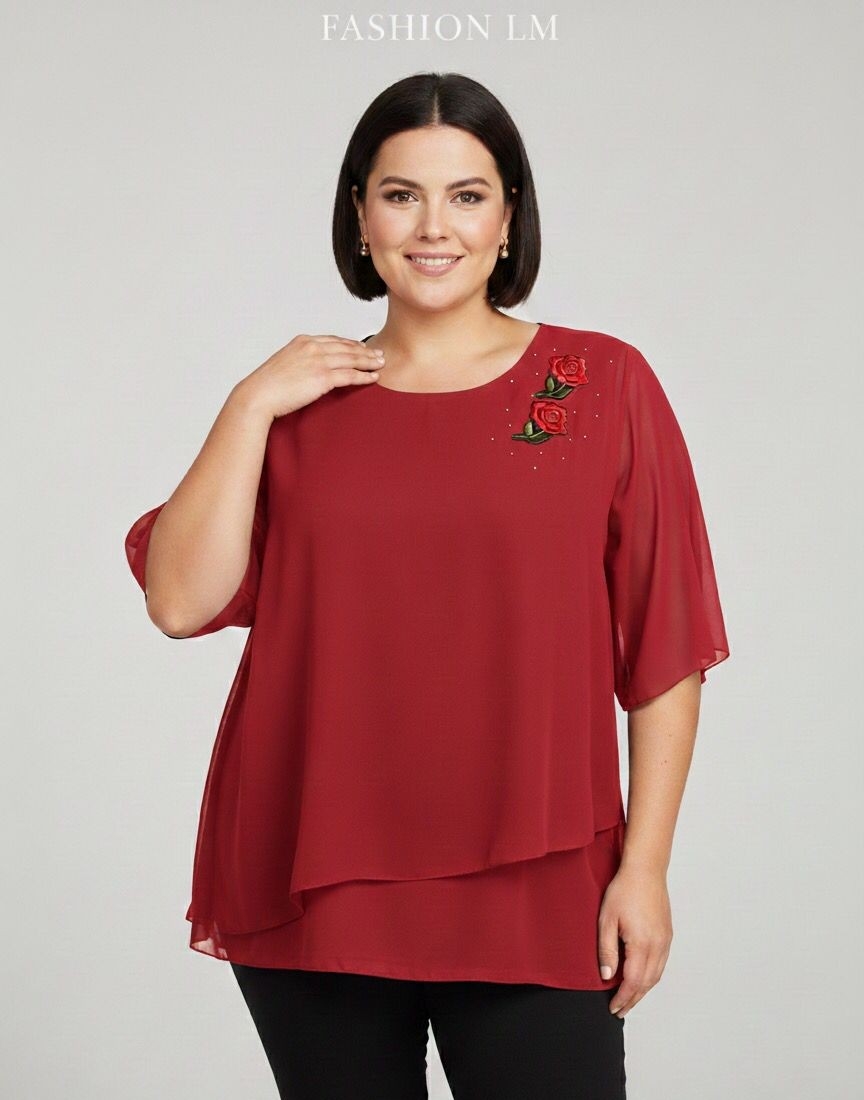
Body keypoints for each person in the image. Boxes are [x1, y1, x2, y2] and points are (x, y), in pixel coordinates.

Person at [123, 72, 730, 1099]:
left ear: (509, 218)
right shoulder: (297, 405)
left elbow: (664, 650)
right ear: (361, 218)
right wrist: (249, 403)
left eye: (467, 195)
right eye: (402, 195)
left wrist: (645, 866)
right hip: (317, 871)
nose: (433, 226)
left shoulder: (602, 384)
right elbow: (180, 601)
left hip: (540, 875)